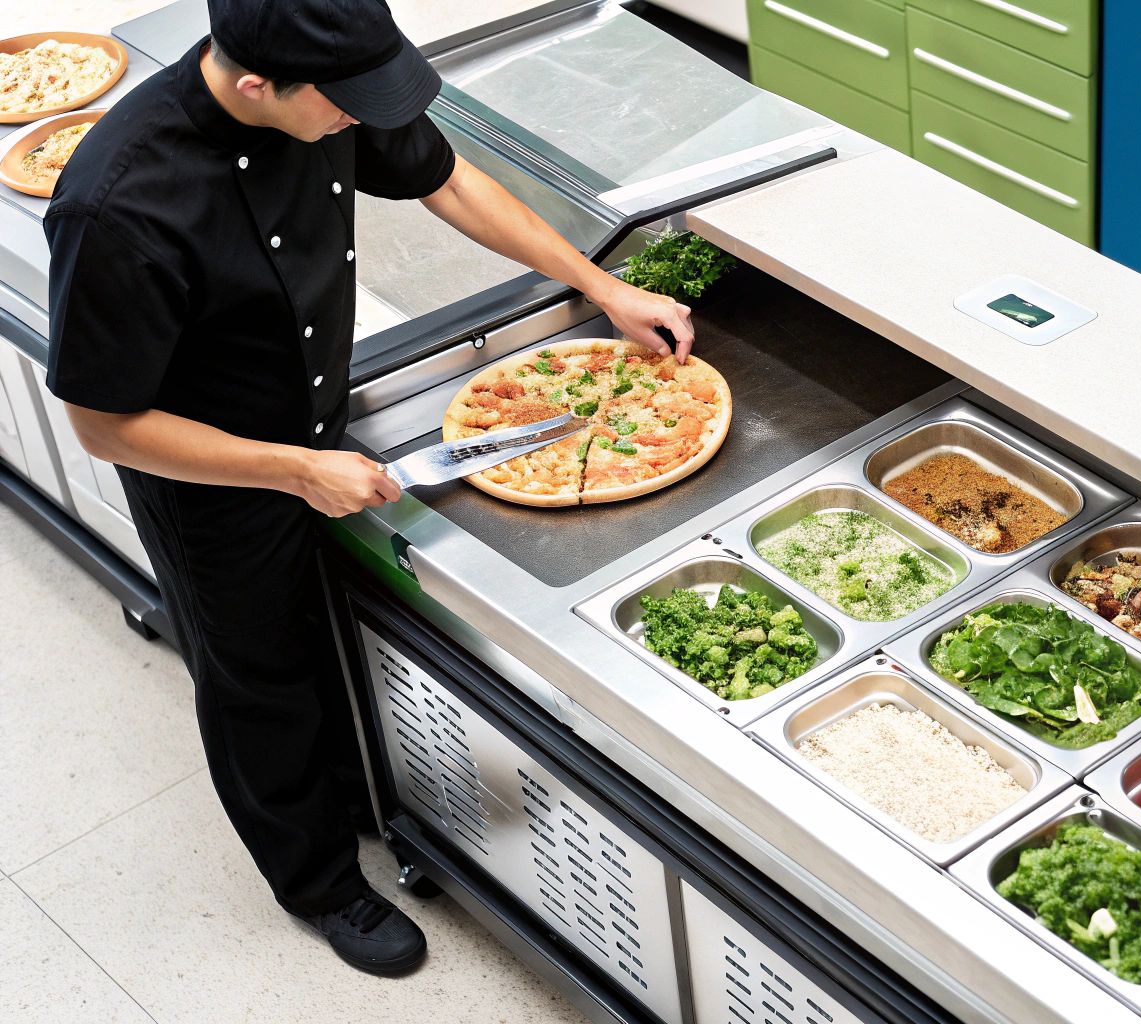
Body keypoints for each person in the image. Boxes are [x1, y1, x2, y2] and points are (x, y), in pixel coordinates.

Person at [43, 0, 695, 976]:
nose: (361, 119)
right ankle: (319, 882)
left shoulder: (322, 87)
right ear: (257, 86)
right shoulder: (121, 205)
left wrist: (601, 288)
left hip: (319, 424)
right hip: (212, 473)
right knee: (255, 676)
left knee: (321, 634)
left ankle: (364, 790)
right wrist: (296, 469)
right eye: (345, 106)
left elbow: (448, 180)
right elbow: (104, 424)